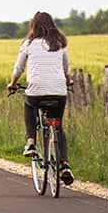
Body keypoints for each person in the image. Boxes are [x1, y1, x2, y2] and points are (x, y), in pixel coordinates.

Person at [7, 12, 74, 186]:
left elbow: (19, 67)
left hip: (35, 91)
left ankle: (30, 142)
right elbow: (67, 68)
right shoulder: (60, 43)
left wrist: (13, 84)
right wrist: (68, 81)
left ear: (33, 26)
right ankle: (65, 165)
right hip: (58, 92)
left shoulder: (28, 43)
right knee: (57, 125)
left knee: (29, 106)